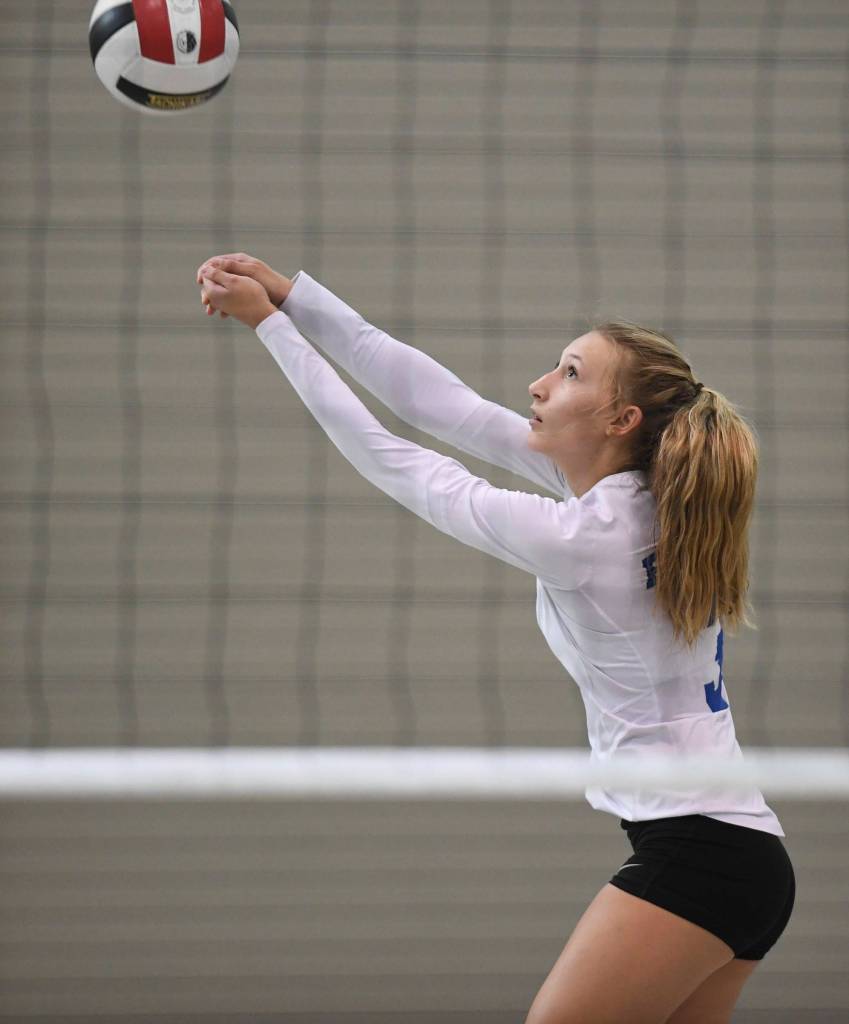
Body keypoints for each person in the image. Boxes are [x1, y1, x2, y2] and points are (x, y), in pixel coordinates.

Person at [196, 254, 795, 1024]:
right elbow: (444, 403)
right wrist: (296, 297)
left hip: (698, 855)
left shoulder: (589, 536)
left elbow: (395, 461)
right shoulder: (639, 502)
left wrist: (270, 327)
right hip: (740, 858)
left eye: (571, 373)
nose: (539, 385)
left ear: (621, 422)